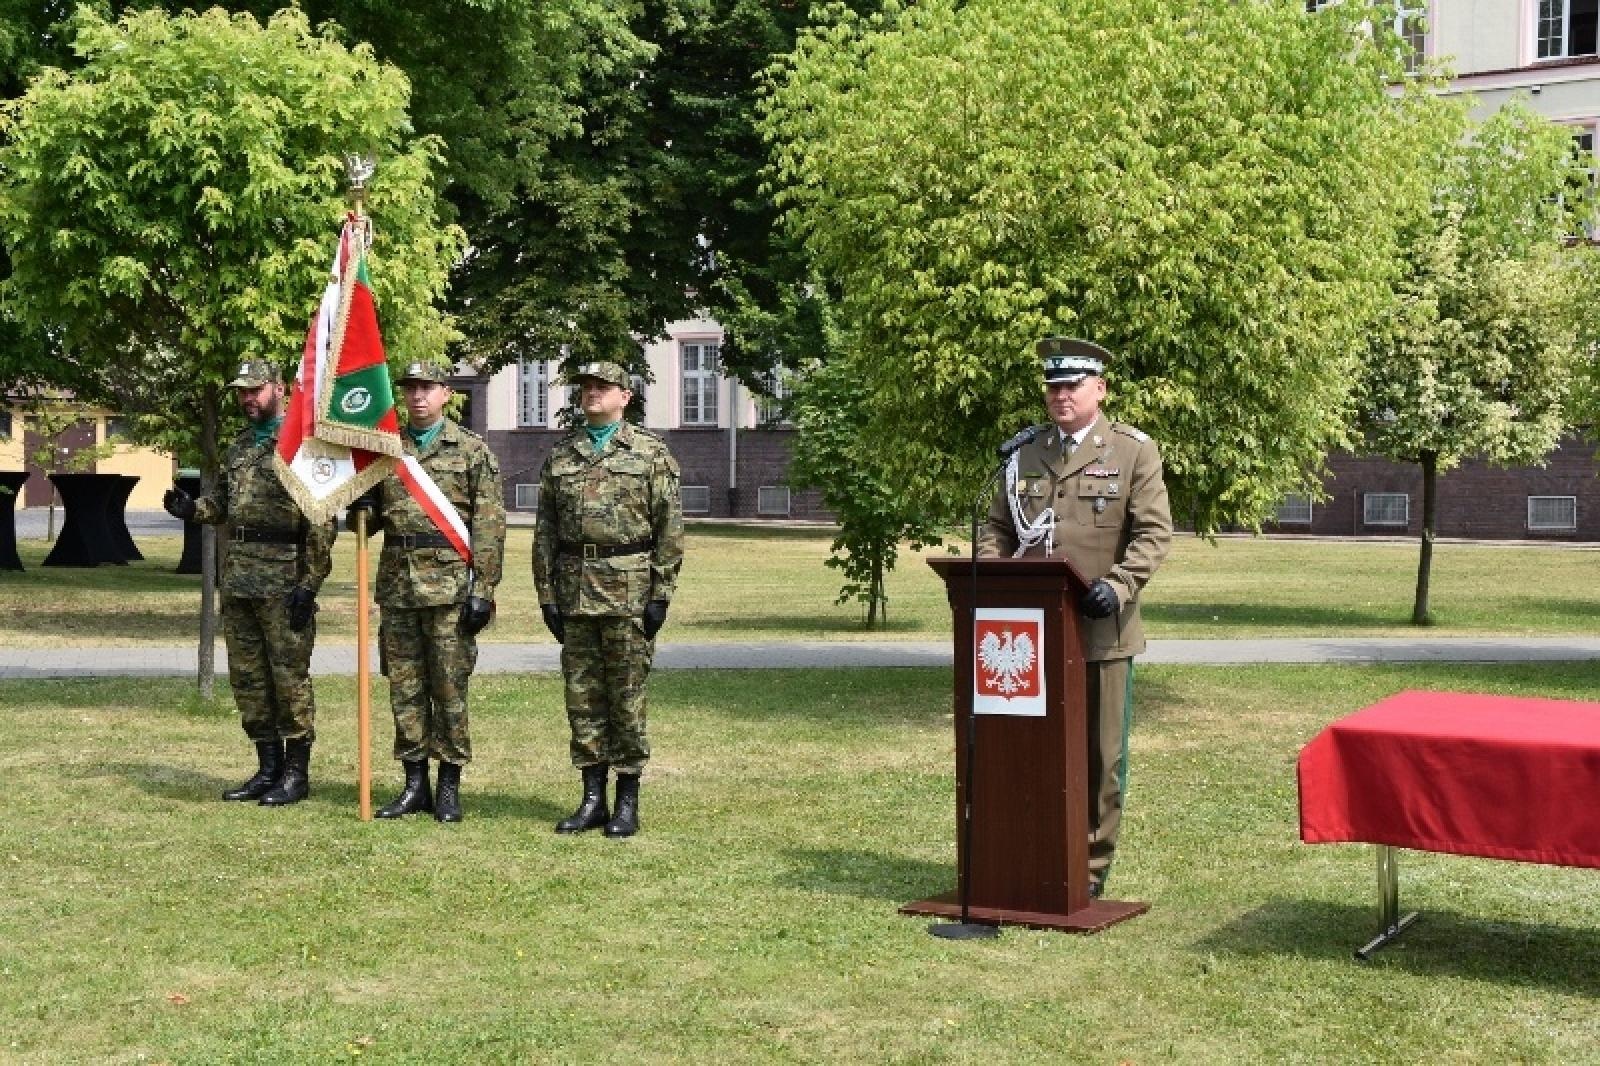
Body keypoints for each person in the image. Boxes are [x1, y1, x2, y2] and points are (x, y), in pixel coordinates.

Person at [978, 337, 1172, 897]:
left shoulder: (1133, 451)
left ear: (1099, 390)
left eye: (1071, 385)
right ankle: (1031, 852)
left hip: (1099, 631)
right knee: (1028, 750)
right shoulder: (1025, 453)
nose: (1060, 396)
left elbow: (1154, 534)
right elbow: (997, 529)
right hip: (1029, 633)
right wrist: (995, 576)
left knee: (1099, 758)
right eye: (1052, 386)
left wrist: (1119, 586)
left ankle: (1088, 871)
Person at [163, 358, 336, 806]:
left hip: (283, 581)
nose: (248, 398)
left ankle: (297, 774)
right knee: (248, 679)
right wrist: (192, 509)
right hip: (239, 579)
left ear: (279, 388)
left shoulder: (300, 444)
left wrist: (310, 584)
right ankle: (267, 768)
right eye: (242, 391)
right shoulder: (239, 446)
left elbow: (321, 520)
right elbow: (220, 504)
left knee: (289, 677)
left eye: (256, 390)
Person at [347, 359, 506, 823]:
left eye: (426, 388)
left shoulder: (472, 451)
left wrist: (485, 590)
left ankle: (449, 784)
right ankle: (414, 783)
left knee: (449, 687)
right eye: (410, 388)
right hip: (398, 585)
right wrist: (360, 506)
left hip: (451, 588)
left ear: (445, 393)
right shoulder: (386, 452)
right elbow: (373, 522)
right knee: (405, 687)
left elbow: (490, 526)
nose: (417, 396)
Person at [533, 360, 684, 838]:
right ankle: (592, 797)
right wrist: (547, 597)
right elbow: (545, 533)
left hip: (628, 592)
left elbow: (669, 530)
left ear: (626, 396)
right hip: (575, 592)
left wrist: (660, 593)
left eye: (603, 386)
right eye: (587, 387)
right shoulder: (562, 455)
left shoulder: (650, 453)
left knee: (626, 697)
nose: (593, 392)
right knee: (582, 699)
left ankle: (627, 800)